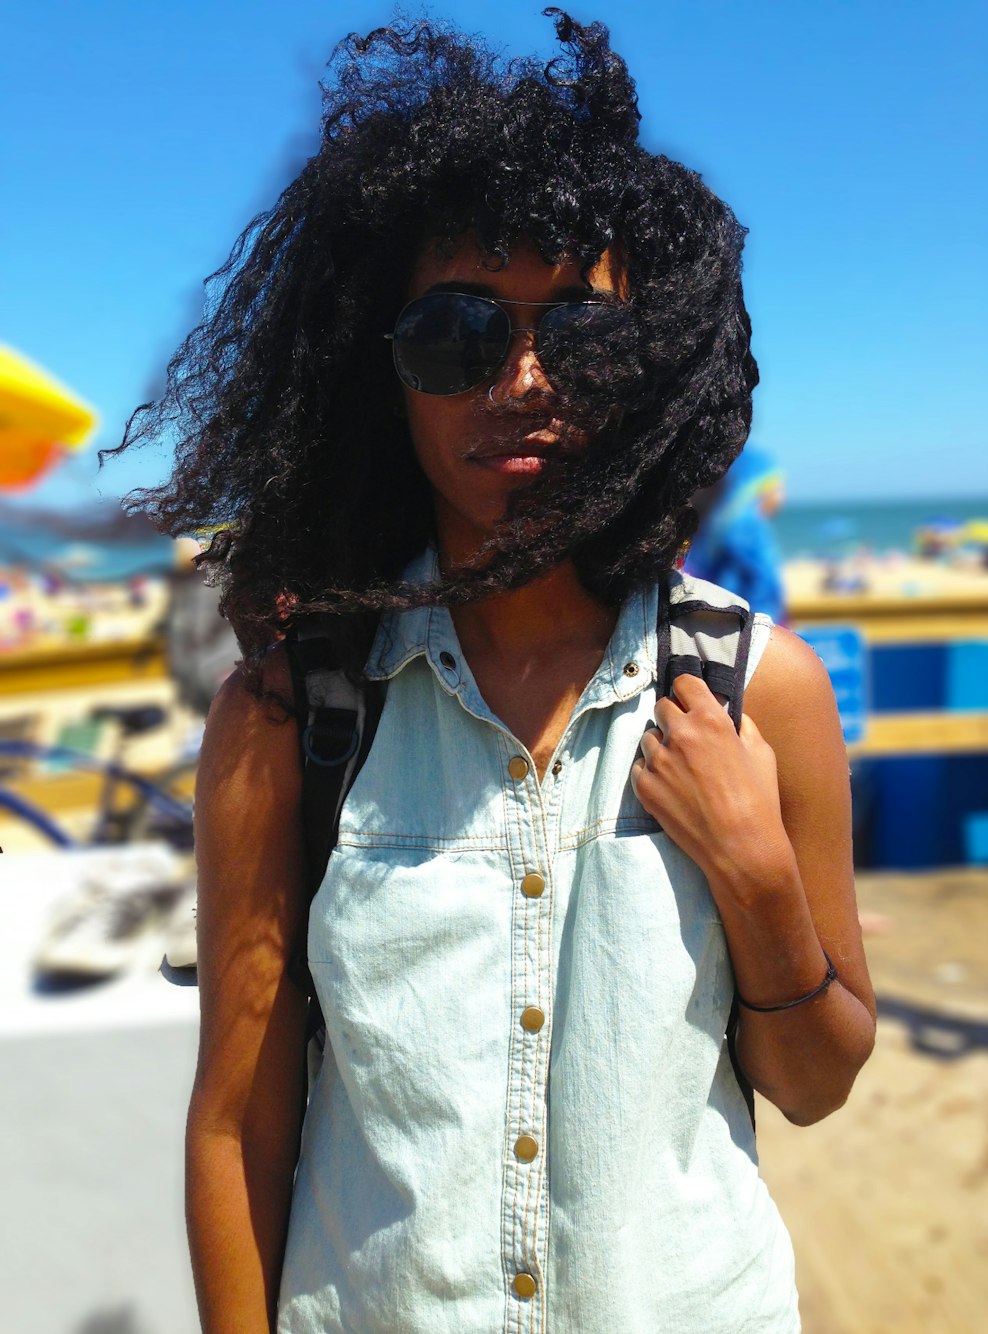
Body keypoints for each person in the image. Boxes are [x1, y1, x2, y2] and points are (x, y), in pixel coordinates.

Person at [112, 13, 876, 1332]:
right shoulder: (293, 711)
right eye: (458, 336)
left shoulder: (761, 690)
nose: (523, 380)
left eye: (580, 335)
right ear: (380, 373)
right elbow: (236, 1126)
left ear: (648, 373)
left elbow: (814, 1081)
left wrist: (758, 882)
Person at [684, 444, 788, 623]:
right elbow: (763, 586)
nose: (780, 499)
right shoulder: (746, 530)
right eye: (776, 489)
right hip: (748, 624)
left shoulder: (713, 526)